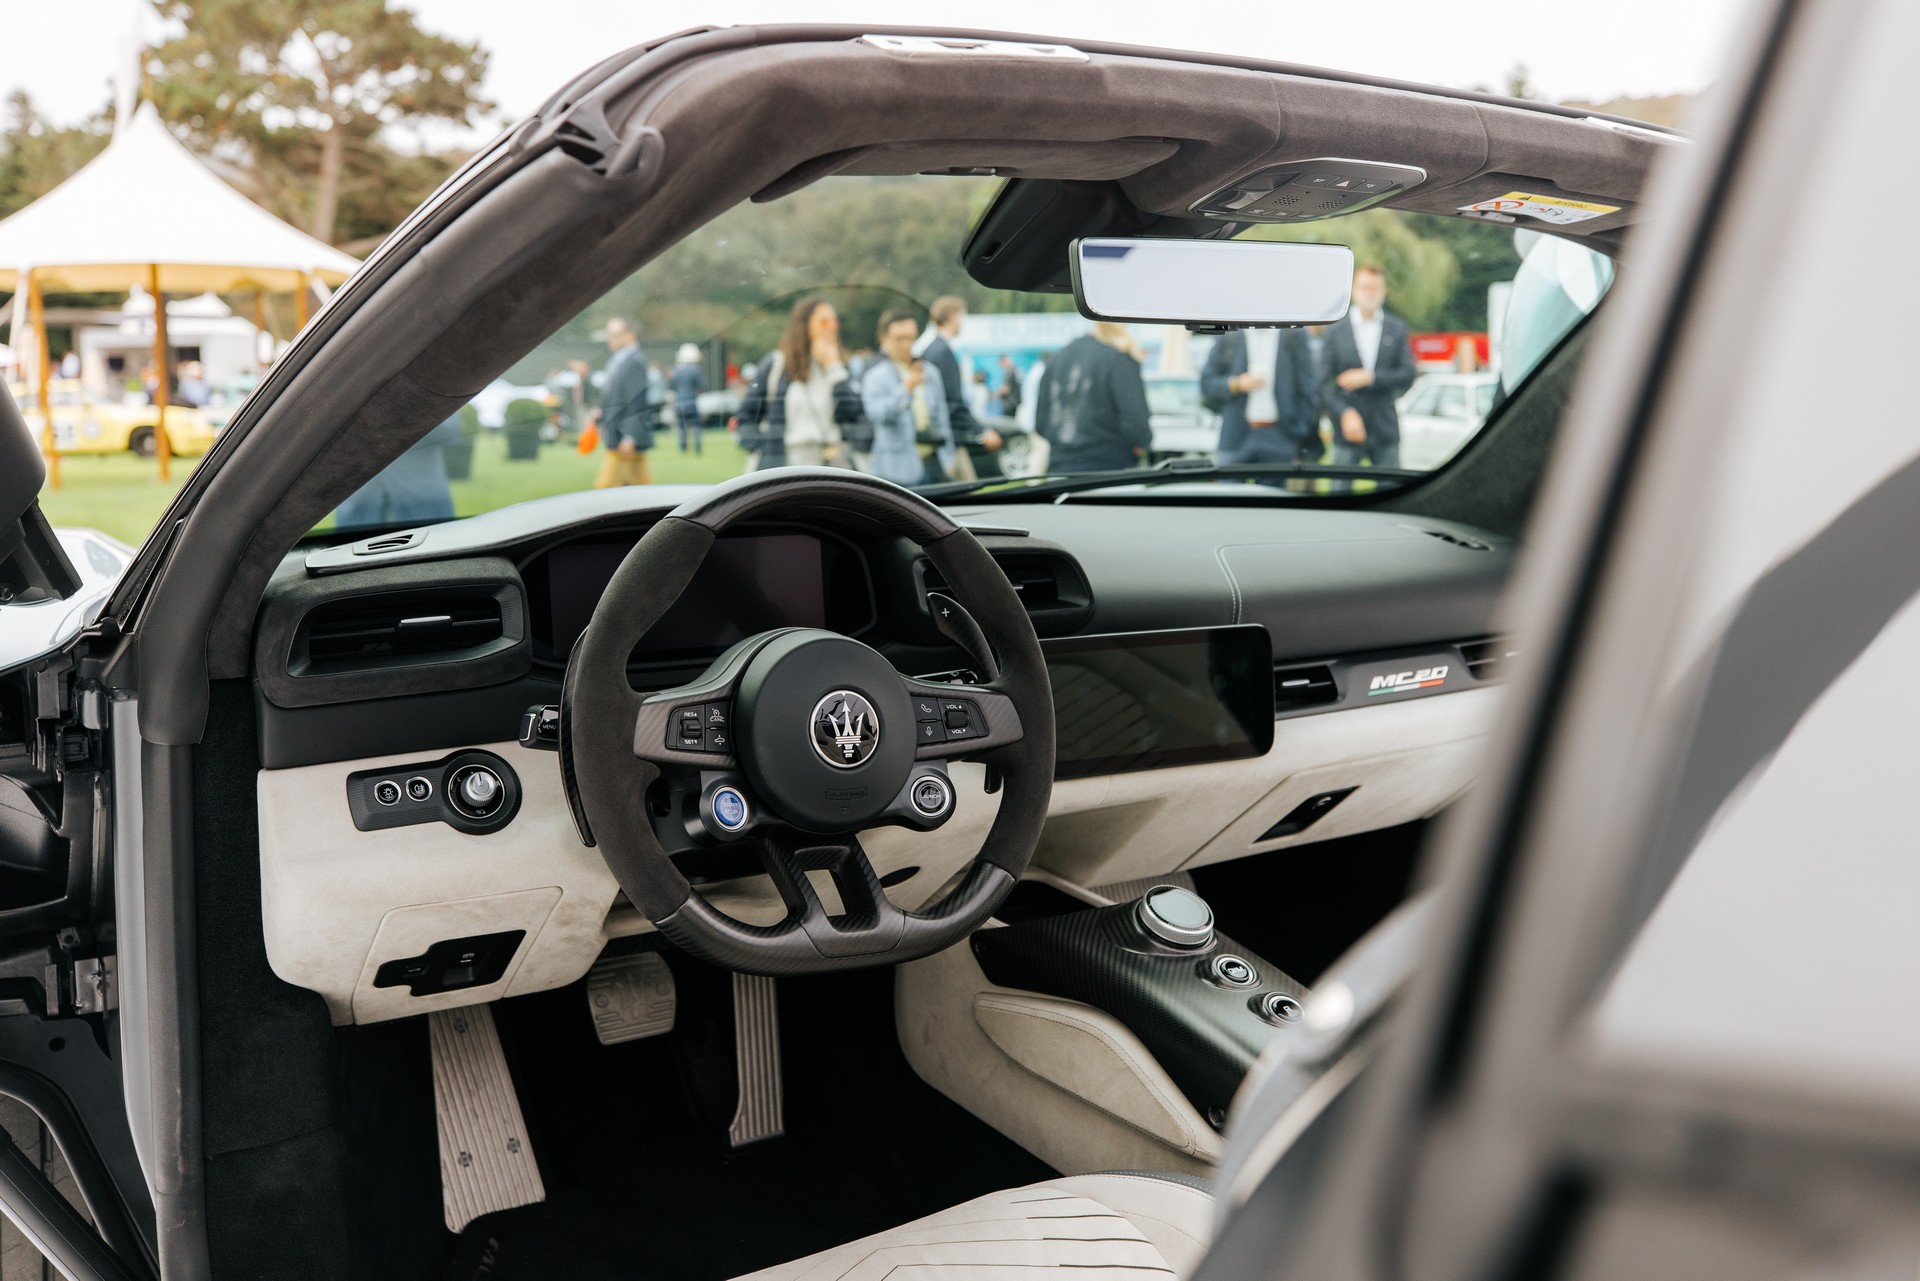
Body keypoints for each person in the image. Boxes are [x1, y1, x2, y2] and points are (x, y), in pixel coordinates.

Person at [734, 297, 864, 470]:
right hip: (784, 466)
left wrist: (834, 368)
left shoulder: (841, 368)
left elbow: (857, 415)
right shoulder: (777, 365)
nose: (832, 328)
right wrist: (763, 447)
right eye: (824, 322)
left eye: (835, 321)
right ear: (804, 326)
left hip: (831, 465)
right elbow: (746, 415)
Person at [1320, 264, 1417, 475]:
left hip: (1385, 428)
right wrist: (1343, 412)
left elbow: (1408, 373)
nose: (1370, 293)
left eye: (1375, 287)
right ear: (1354, 290)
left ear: (1384, 291)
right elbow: (1321, 384)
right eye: (1365, 287)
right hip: (1346, 429)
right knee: (1339, 495)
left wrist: (1371, 378)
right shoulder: (1336, 331)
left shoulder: (1396, 328)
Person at [1034, 322, 1151, 474]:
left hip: (1060, 474)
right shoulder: (1119, 357)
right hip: (1110, 474)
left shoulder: (1059, 357)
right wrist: (1142, 442)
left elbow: (1040, 422)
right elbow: (1136, 423)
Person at [1200, 327, 1319, 465]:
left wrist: (1298, 429)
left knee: (1273, 487)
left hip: (1279, 436)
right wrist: (1236, 384)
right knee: (1228, 486)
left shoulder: (1293, 334)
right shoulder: (1230, 334)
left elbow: (1307, 386)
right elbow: (1207, 383)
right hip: (1235, 436)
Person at [862, 308, 954, 486]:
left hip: (934, 462)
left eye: (910, 338)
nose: (906, 344)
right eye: (899, 339)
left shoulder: (930, 372)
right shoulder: (875, 376)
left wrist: (948, 457)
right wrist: (905, 388)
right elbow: (876, 414)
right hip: (895, 470)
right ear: (884, 339)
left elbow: (942, 416)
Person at [919, 296, 1000, 482]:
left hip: (941, 437)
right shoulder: (943, 351)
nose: (963, 323)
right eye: (961, 316)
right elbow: (953, 400)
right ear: (951, 316)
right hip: (948, 440)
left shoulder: (932, 348)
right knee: (967, 492)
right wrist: (982, 430)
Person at [334, 412, 462, 527]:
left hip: (425, 504)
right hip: (357, 507)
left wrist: (404, 412)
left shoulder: (435, 385)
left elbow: (451, 432)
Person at [592, 316, 656, 488]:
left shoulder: (633, 361)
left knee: (605, 490)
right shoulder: (621, 360)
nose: (609, 338)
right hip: (619, 435)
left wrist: (631, 436)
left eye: (614, 334)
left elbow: (637, 401)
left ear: (629, 335)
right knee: (641, 489)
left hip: (624, 438)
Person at [669, 343, 705, 454]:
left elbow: (671, 386)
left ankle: (683, 448)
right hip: (691, 402)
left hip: (679, 402)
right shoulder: (694, 369)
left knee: (682, 427)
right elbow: (703, 385)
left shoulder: (675, 370)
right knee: (696, 425)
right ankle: (697, 448)